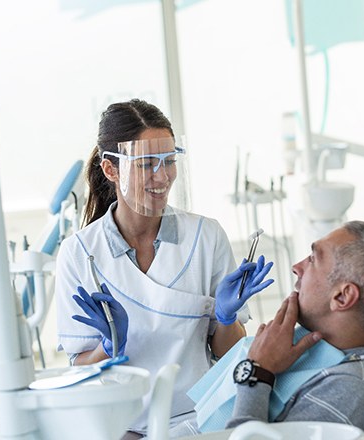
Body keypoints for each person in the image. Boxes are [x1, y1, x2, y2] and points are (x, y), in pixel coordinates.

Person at [54, 98, 274, 438]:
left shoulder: (205, 236)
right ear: (111, 169)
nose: (162, 176)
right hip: (120, 425)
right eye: (146, 164)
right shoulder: (79, 253)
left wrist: (227, 319)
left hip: (199, 420)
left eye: (169, 161)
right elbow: (79, 369)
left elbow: (227, 351)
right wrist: (109, 348)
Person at [222, 221, 364, 434]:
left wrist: (257, 372)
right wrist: (224, 318)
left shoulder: (347, 392)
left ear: (342, 297)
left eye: (313, 259)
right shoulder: (313, 352)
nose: (296, 267)